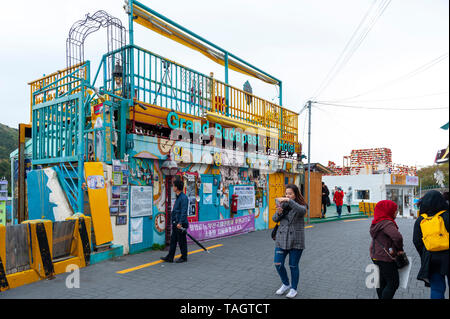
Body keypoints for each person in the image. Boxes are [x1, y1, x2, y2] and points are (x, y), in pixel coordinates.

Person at [272, 184, 307, 298]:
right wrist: (279, 212)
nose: (287, 195)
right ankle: (286, 283)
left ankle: (294, 289)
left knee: (293, 265)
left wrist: (288, 200)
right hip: (281, 239)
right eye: (286, 193)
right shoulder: (283, 204)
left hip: (296, 239)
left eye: (290, 193)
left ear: (296, 194)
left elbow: (302, 211)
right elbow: (274, 219)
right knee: (278, 263)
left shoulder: (301, 205)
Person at [413, 190, 449, 299]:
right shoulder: (447, 216)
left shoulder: (420, 220)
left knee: (437, 289)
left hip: (431, 258)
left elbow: (417, 241)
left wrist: (424, 254)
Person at [369, 200, 405, 299]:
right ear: (388, 210)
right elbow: (397, 237)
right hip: (385, 257)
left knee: (381, 282)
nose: (396, 212)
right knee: (393, 283)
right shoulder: (387, 223)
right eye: (395, 210)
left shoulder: (377, 221)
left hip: (375, 255)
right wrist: (400, 249)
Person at [161, 179, 189, 263]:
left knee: (182, 241)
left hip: (180, 224)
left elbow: (184, 211)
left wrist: (180, 223)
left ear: (176, 187)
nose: (173, 187)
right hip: (176, 223)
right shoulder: (179, 197)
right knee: (173, 240)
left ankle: (184, 257)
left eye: (173, 186)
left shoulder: (183, 198)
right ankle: (170, 257)